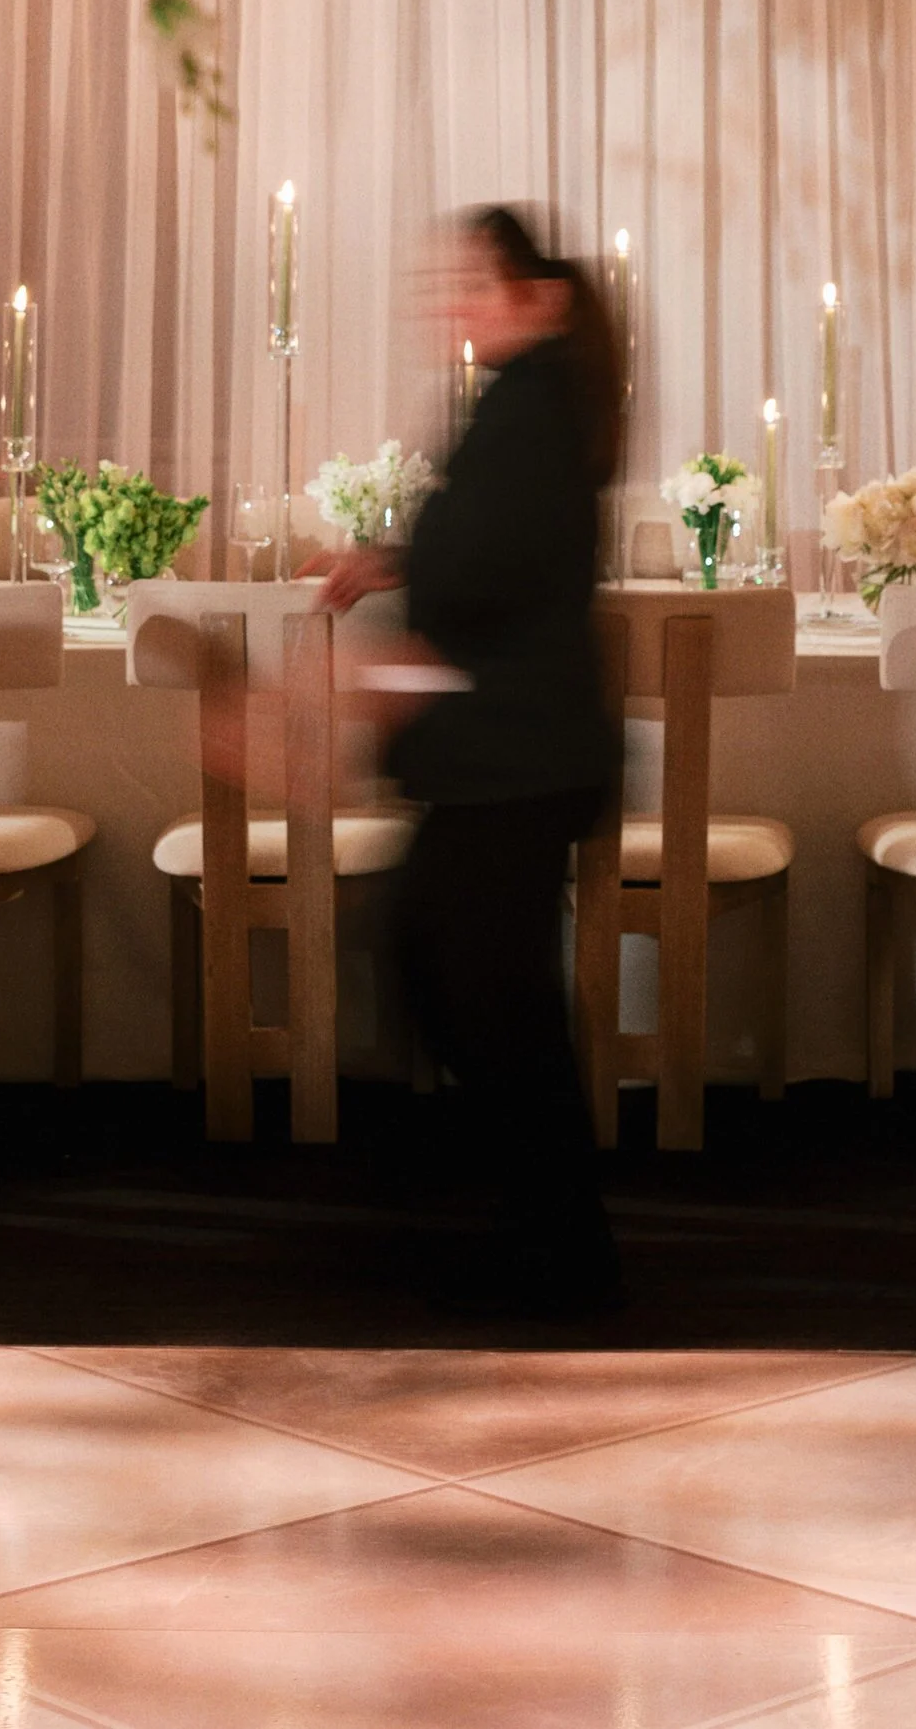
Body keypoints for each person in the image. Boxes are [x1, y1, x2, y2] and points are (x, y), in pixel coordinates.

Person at [317, 205, 624, 1313]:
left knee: (481, 987)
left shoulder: (531, 404)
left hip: (517, 754)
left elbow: (495, 570)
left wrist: (395, 657)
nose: (453, 301)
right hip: (513, 752)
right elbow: (496, 544)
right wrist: (402, 558)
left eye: (477, 284)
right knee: (462, 972)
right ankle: (542, 1220)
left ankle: (561, 1241)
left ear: (542, 299)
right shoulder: (526, 399)